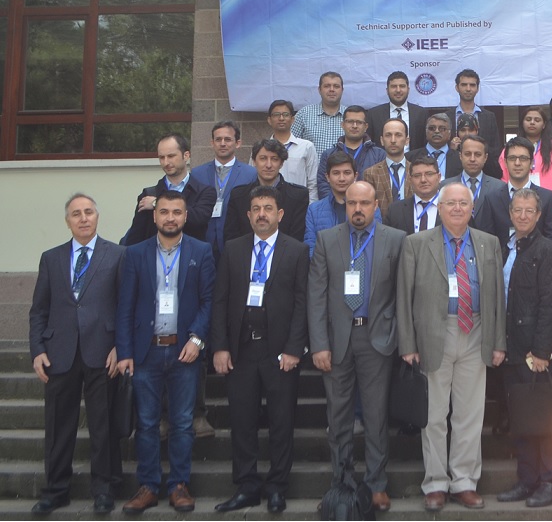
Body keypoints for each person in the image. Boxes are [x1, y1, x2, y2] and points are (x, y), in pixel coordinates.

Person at [398, 183, 506, 512]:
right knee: (433, 416)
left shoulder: (488, 243)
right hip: (435, 333)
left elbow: (498, 297)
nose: (457, 208)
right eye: (451, 203)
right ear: (440, 208)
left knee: (469, 415)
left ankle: (464, 481)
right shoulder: (417, 243)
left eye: (463, 203)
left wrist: (498, 341)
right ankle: (435, 483)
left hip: (476, 331)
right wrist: (408, 343)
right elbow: (403, 296)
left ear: (472, 209)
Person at [308, 181, 406, 514]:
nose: (358, 209)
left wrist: (398, 337)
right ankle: (342, 483)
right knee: (338, 417)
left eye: (365, 203)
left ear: (376, 205)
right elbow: (317, 295)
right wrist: (319, 344)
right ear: (345, 205)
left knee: (376, 415)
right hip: (336, 341)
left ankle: (376, 483)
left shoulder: (396, 239)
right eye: (352, 203)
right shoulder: (327, 239)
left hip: (376, 340)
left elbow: (402, 294)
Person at [211, 186, 309, 514]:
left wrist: (295, 348)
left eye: (268, 208)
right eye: (256, 208)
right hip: (241, 350)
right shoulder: (233, 249)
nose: (262, 214)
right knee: (242, 421)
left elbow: (302, 303)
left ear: (280, 214)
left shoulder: (297, 251)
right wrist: (220, 347)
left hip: (280, 352)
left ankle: (278, 486)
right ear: (248, 215)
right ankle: (247, 486)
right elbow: (220, 300)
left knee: (281, 422)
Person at [116, 191, 215, 514]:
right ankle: (147, 486)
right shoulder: (135, 253)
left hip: (184, 351)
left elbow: (208, 301)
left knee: (183, 422)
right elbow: (125, 307)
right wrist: (125, 351)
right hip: (145, 352)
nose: (170, 218)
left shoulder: (201, 251)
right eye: (164, 212)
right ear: (155, 216)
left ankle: (179, 485)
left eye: (176, 212)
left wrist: (197, 339)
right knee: (146, 423)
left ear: (185, 216)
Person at [29, 194, 125, 515]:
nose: (83, 218)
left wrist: (120, 347)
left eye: (88, 212)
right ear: (67, 221)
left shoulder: (117, 255)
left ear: (97, 216)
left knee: (103, 425)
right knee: (59, 425)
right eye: (76, 214)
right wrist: (38, 350)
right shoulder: (51, 258)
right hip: (59, 353)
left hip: (103, 352)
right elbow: (39, 310)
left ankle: (104, 489)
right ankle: (55, 490)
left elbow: (126, 306)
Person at [495, 189, 552, 508]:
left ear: (539, 215)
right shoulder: (506, 247)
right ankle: (527, 480)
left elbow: (551, 303)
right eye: (517, 210)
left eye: (529, 211)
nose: (523, 216)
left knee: (546, 419)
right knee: (522, 419)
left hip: (534, 352)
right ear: (510, 214)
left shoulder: (546, 249)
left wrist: (541, 352)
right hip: (511, 348)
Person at [121, 133, 217, 246]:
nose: (166, 162)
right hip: (155, 255)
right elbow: (135, 238)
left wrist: (156, 203)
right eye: (162, 157)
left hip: (191, 255)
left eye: (171, 156)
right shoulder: (148, 194)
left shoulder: (205, 192)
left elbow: (199, 219)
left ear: (186, 156)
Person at [475, 137, 552, 246]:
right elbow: (487, 241)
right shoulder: (492, 199)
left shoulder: (547, 198)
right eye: (512, 158)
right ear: (505, 162)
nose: (517, 163)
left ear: (531, 163)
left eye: (523, 158)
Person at [192, 121, 257, 258]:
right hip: (204, 240)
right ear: (212, 143)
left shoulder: (250, 174)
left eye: (227, 139)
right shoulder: (197, 174)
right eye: (218, 139)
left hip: (236, 242)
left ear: (238, 143)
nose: (222, 143)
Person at [224, 139, 310, 243]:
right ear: (254, 161)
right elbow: (232, 239)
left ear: (281, 163)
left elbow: (297, 240)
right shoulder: (239, 195)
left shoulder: (298, 196)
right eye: (263, 158)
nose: (268, 165)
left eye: (274, 159)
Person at [316, 105, 387, 199]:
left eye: (359, 122)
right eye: (350, 122)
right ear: (342, 125)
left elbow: (382, 186)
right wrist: (340, 203)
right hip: (336, 206)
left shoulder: (379, 155)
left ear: (366, 126)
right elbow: (323, 185)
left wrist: (365, 203)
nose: (354, 126)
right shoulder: (328, 155)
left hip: (367, 205)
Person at [499, 105, 552, 196]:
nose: (532, 122)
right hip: (518, 201)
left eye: (537, 120)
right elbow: (504, 180)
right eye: (528, 119)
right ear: (522, 123)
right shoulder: (510, 149)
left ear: (544, 125)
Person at [305, 152, 358, 256]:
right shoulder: (314, 210)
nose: (342, 178)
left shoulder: (368, 208)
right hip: (324, 265)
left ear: (355, 176)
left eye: (347, 173)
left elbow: (374, 244)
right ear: (327, 177)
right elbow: (311, 247)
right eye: (336, 173)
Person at [268, 99, 319, 201]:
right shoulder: (262, 149)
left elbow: (313, 183)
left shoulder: (306, 147)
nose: (281, 118)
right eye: (276, 115)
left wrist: (309, 207)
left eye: (285, 114)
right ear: (269, 120)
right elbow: (254, 178)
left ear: (292, 119)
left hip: (298, 205)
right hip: (268, 205)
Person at [366, 70, 428, 152]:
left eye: (402, 86)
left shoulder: (421, 113)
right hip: (383, 159)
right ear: (387, 90)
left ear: (408, 89)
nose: (398, 90)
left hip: (414, 159)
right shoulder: (374, 114)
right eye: (393, 86)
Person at [362, 117, 412, 214]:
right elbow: (369, 207)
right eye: (388, 135)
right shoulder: (371, 173)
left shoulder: (416, 172)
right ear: (382, 140)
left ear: (407, 140)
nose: (393, 140)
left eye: (398, 135)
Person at [446, 68, 501, 156]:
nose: (468, 89)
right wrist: (451, 150)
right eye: (464, 85)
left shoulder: (489, 117)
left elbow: (495, 149)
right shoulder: (447, 117)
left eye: (472, 85)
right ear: (457, 88)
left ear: (477, 88)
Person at [443, 134, 506, 211]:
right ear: (460, 156)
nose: (472, 159)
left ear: (485, 157)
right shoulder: (445, 186)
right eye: (467, 154)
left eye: (477, 154)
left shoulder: (499, 188)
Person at [384, 156, 443, 235]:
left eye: (429, 174)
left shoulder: (452, 207)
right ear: (410, 180)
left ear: (439, 177)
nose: (423, 180)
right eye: (417, 175)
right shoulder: (395, 210)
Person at [291, 71, 346, 156]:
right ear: (319, 90)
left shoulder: (350, 116)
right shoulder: (304, 114)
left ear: (342, 90)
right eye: (327, 86)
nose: (332, 89)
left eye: (336, 86)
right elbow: (291, 144)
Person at [406, 113, 462, 180]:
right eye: (432, 128)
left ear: (449, 134)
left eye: (442, 128)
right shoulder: (410, 158)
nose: (436, 131)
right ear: (426, 132)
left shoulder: (460, 158)